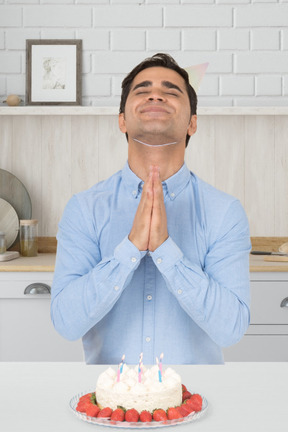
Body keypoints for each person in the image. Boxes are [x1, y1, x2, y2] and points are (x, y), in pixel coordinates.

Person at [51, 53, 251, 365]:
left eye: (171, 92)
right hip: (109, 408)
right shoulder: (85, 208)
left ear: (192, 123)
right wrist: (129, 249)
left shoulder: (224, 212)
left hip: (197, 402)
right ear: (122, 121)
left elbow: (232, 330)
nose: (156, 94)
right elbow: (65, 322)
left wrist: (166, 252)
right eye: (142, 91)